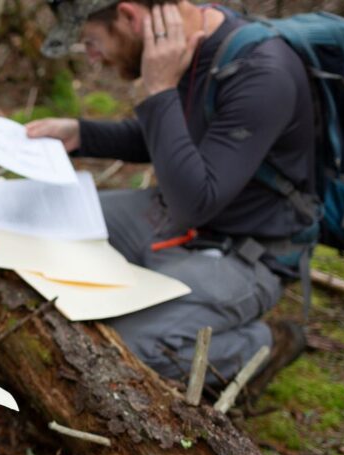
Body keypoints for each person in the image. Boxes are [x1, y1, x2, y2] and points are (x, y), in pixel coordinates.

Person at [27, 0, 310, 392]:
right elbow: (177, 138)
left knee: (126, 347)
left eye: (91, 41)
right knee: (42, 217)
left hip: (245, 251)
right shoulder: (187, 45)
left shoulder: (261, 71)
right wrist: (82, 133)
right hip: (174, 217)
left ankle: (260, 345)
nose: (91, 57)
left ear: (128, 16)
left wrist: (158, 87)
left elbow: (196, 200)